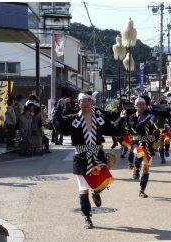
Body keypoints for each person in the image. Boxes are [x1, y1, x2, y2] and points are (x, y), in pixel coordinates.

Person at [53, 93, 127, 229]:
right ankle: (87, 217)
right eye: (83, 101)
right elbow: (59, 125)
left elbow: (112, 128)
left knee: (103, 181)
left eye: (88, 101)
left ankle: (97, 192)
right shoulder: (73, 119)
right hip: (81, 157)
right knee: (83, 188)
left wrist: (121, 119)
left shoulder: (99, 119)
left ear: (92, 103)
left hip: (97, 156)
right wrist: (59, 107)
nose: (86, 104)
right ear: (78, 103)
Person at [127, 97, 158, 197]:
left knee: (146, 167)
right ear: (135, 106)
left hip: (148, 143)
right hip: (137, 141)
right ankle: (136, 167)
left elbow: (155, 128)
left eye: (143, 104)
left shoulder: (150, 115)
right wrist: (148, 119)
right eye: (139, 104)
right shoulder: (132, 117)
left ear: (145, 105)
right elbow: (137, 127)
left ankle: (142, 190)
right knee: (140, 152)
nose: (141, 106)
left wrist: (155, 137)